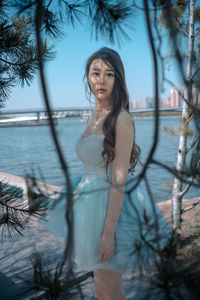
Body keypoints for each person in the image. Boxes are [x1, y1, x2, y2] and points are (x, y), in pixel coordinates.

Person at [63, 47, 171, 300]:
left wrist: (108, 233)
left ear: (118, 79)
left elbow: (119, 178)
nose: (101, 80)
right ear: (87, 77)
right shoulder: (94, 115)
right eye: (95, 72)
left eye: (109, 74)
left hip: (109, 208)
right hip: (87, 204)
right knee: (100, 277)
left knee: (109, 279)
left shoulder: (120, 118)